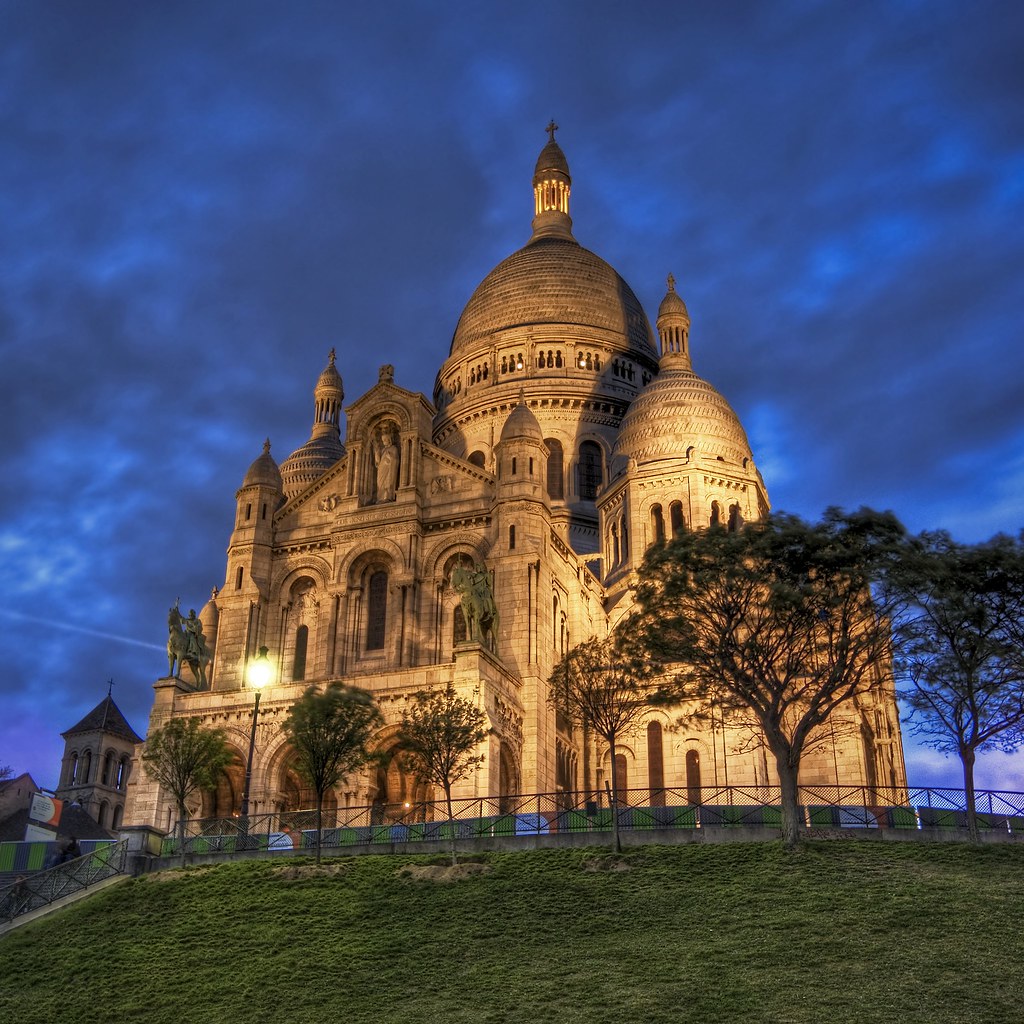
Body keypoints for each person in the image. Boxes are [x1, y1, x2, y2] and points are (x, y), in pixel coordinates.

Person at [372, 426, 399, 503]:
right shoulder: (383, 450)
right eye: (382, 440)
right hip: (381, 469)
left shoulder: (394, 448)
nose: (383, 442)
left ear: (389, 440)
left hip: (389, 470)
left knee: (388, 482)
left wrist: (390, 458)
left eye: (385, 440)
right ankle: (380, 498)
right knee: (380, 483)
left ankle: (388, 496)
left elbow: (396, 461)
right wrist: (377, 453)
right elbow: (378, 462)